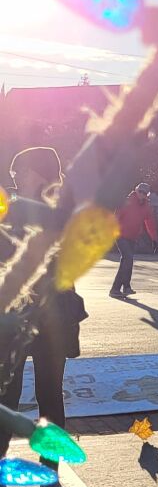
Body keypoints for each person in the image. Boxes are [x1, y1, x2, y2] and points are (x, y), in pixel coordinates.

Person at [0, 148, 87, 464]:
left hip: (52, 319)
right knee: (7, 394)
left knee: (48, 396)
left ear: (34, 173)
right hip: (18, 318)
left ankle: (50, 470)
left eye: (17, 172)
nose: (15, 179)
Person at [111, 182, 158, 299]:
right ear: (136, 190)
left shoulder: (146, 206)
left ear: (147, 194)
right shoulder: (127, 202)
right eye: (140, 191)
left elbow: (150, 223)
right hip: (120, 235)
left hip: (132, 237)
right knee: (128, 258)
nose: (142, 194)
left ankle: (126, 287)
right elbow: (116, 217)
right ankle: (115, 289)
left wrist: (154, 239)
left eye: (144, 193)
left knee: (127, 261)